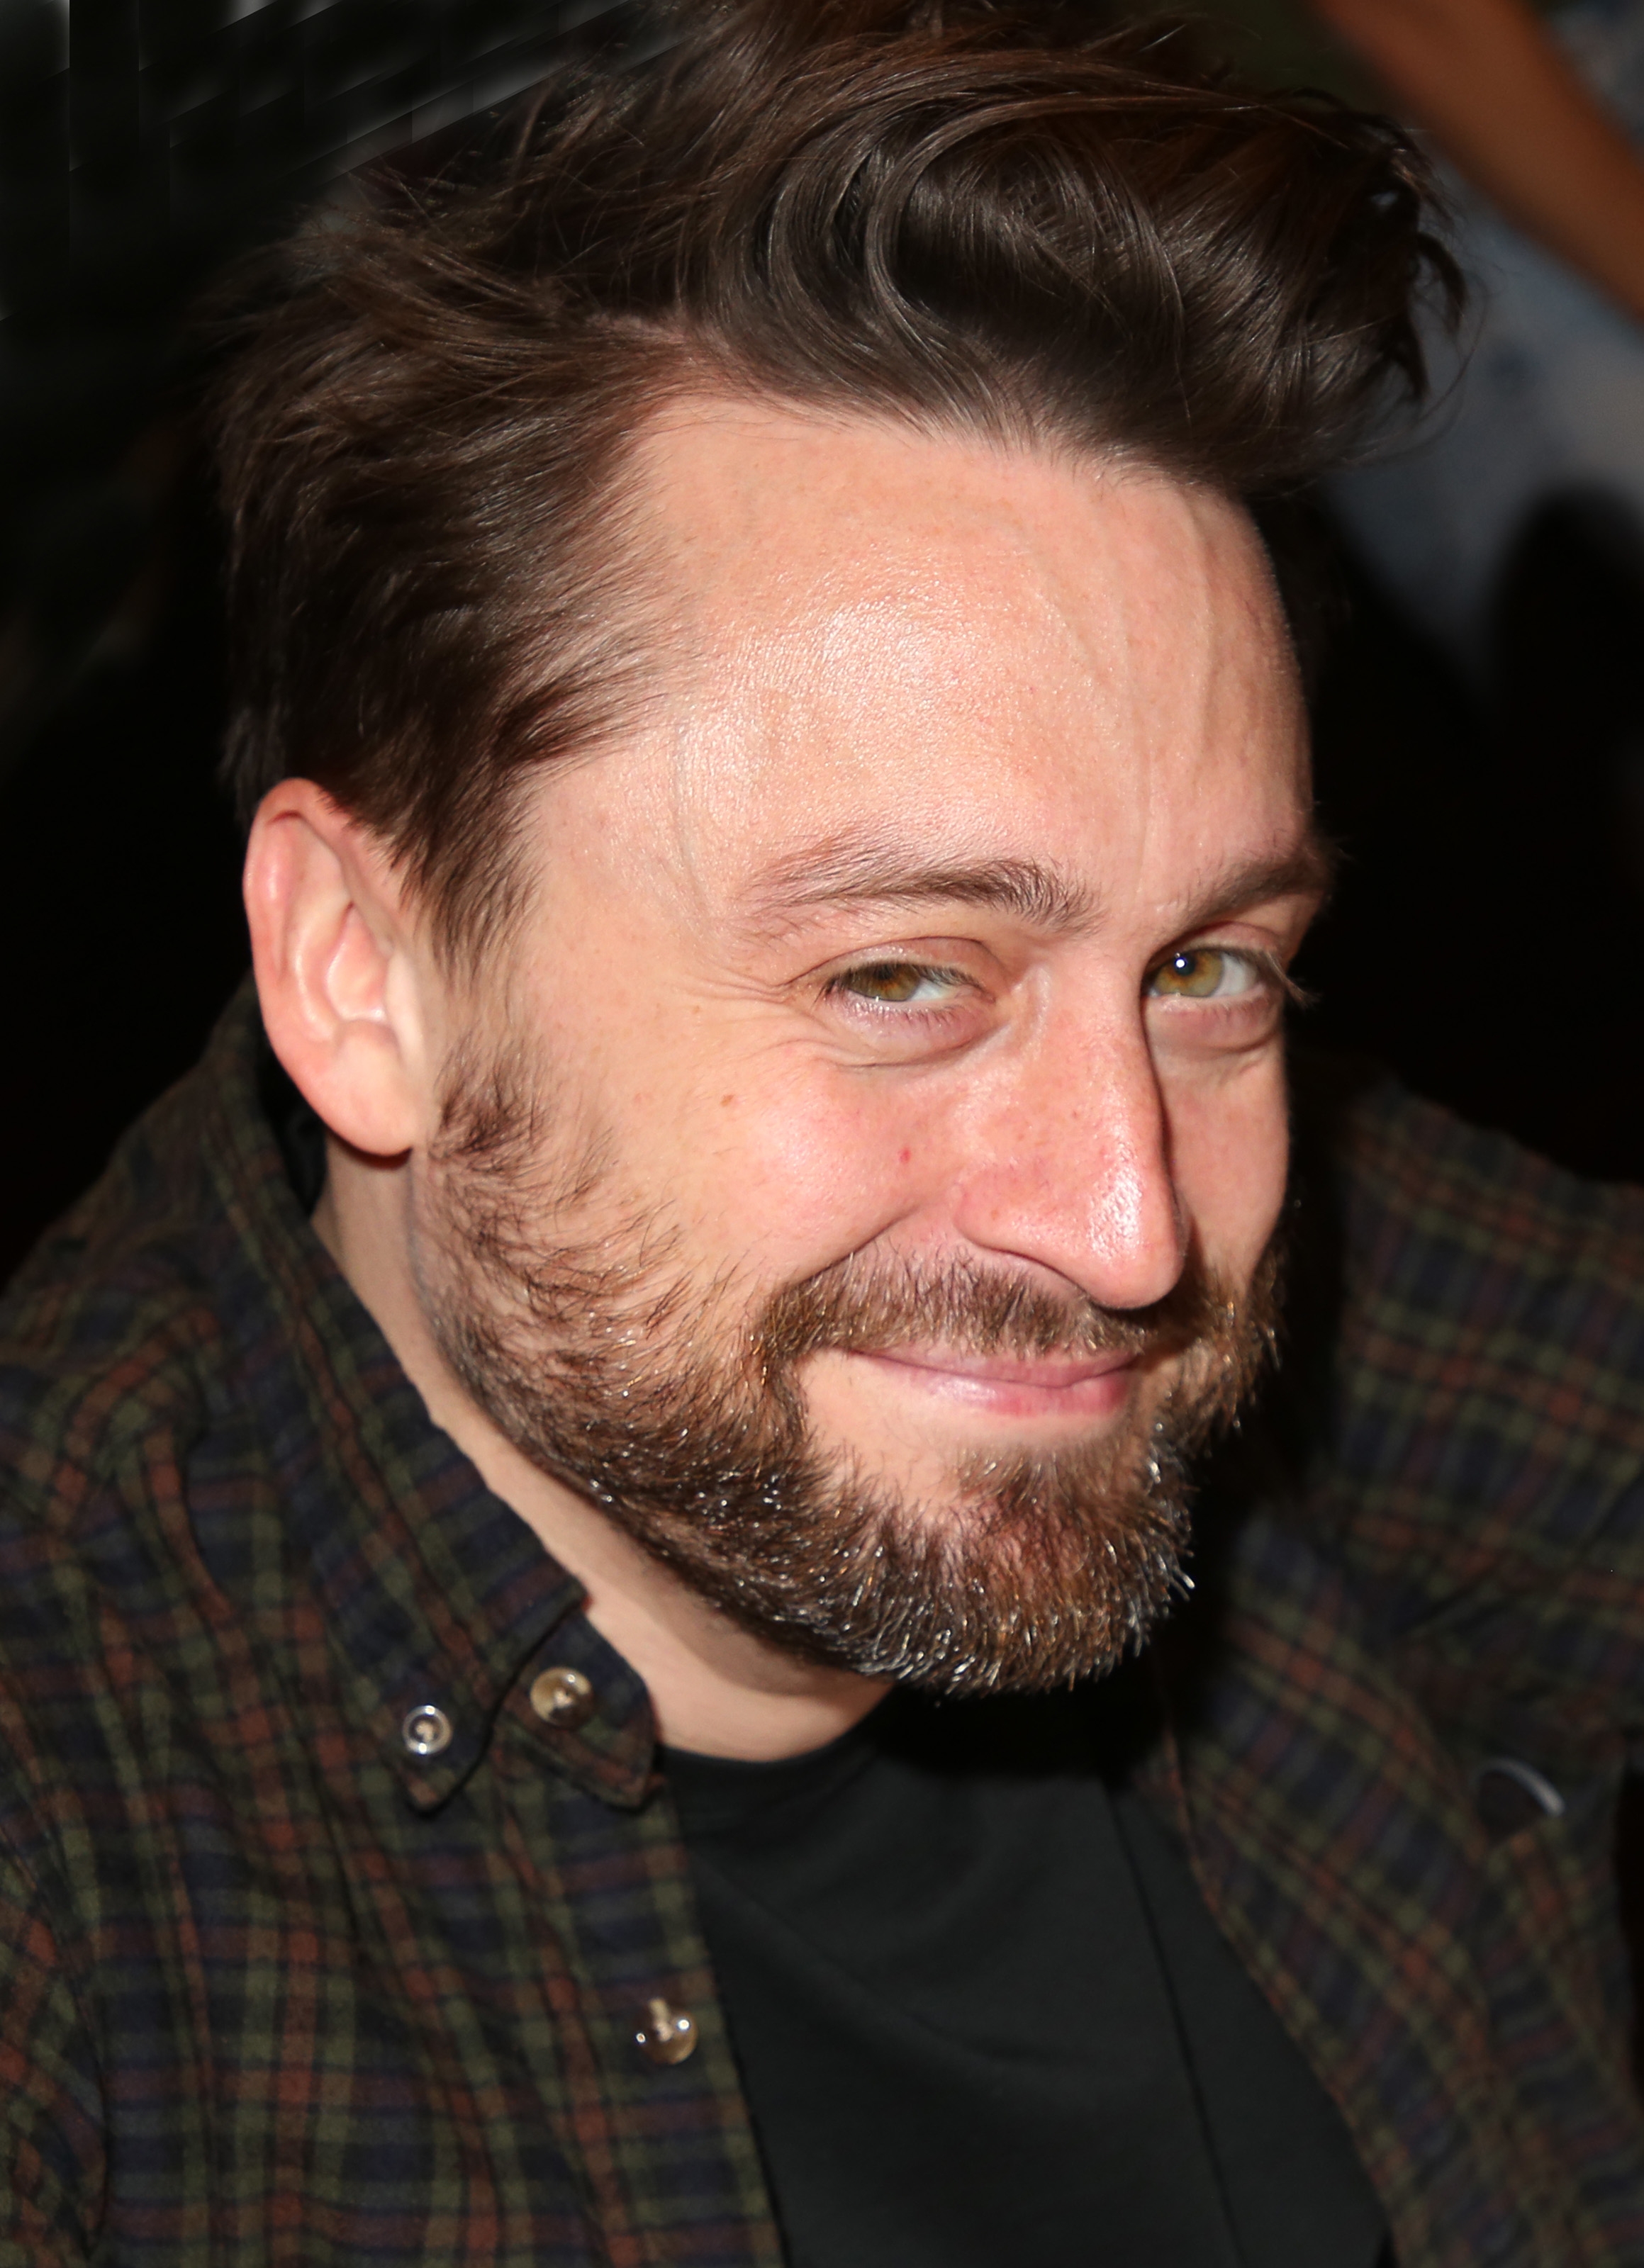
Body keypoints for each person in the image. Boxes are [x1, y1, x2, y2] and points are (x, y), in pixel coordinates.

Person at [1, 2, 1642, 2262]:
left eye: (1207, 968)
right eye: (901, 981)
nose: (1132, 1231)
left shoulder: (1338, 1315)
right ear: (365, 973)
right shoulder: (72, 1801)